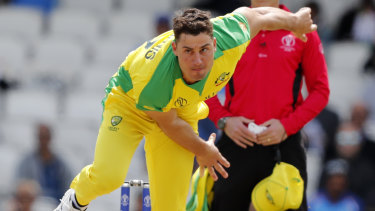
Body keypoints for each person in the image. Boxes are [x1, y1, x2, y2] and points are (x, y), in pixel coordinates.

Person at [54, 6, 317, 211]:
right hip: (131, 106)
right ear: (175, 49)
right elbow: (169, 125)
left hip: (181, 109)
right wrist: (202, 149)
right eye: (188, 51)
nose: (198, 60)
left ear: (215, 44)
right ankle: (75, 200)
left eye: (204, 49)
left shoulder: (230, 37)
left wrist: (294, 22)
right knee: (109, 177)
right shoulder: (155, 76)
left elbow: (257, 15)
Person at [205, 0, 329, 210]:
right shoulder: (231, 28)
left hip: (284, 143)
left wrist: (287, 126)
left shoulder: (302, 29)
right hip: (237, 141)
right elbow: (202, 84)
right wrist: (223, 120)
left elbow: (320, 91)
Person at [16, 123, 72, 202]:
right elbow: (19, 186)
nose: (43, 141)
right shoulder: (26, 163)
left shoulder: (61, 165)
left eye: (46, 137)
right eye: (41, 137)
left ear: (50, 138)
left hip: (57, 204)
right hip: (34, 205)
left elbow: (69, 186)